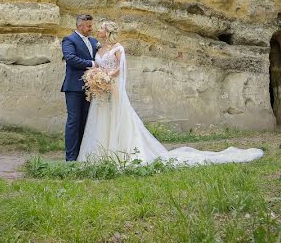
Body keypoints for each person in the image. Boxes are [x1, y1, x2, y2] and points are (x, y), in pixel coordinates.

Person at [77, 20, 264, 166]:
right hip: (101, 89)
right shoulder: (98, 48)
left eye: (100, 28)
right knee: (101, 117)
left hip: (114, 85)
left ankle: (121, 150)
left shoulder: (118, 48)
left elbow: (120, 68)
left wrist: (108, 75)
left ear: (107, 32)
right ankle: (99, 153)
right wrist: (97, 76)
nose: (97, 31)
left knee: (117, 116)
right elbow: (98, 64)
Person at [60, 13, 99, 161]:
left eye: (91, 25)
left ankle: (82, 155)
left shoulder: (94, 41)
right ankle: (70, 158)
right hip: (74, 87)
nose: (91, 28)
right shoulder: (69, 40)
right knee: (73, 121)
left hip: (91, 87)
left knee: (86, 121)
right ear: (80, 25)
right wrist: (92, 64)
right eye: (88, 26)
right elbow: (70, 59)